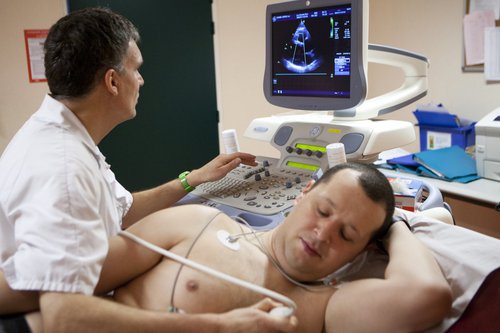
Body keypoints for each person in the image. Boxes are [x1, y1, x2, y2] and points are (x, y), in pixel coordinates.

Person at [0, 7, 297, 333]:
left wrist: (191, 180)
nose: (141, 80)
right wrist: (222, 326)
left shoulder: (63, 134)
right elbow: (65, 318)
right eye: (136, 69)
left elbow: (119, 212)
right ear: (112, 81)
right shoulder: (63, 169)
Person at [91, 162, 452, 333]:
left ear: (361, 252)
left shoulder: (322, 305)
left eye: (347, 235)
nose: (323, 233)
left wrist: (399, 225)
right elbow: (65, 289)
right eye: (322, 211)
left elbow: (426, 295)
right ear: (302, 194)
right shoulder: (196, 223)